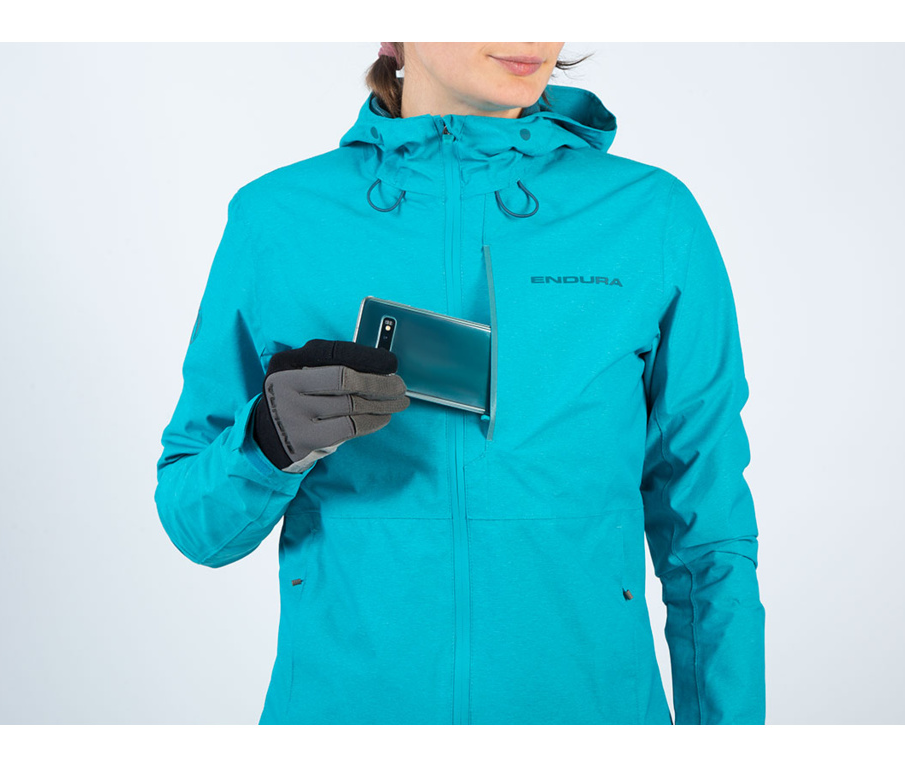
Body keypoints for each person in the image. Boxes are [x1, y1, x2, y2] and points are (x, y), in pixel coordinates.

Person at [155, 42, 766, 725]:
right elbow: (196, 525)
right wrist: (267, 442)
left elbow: (708, 539)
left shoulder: (649, 217)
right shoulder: (277, 220)